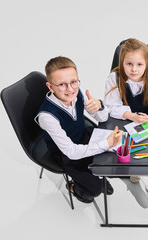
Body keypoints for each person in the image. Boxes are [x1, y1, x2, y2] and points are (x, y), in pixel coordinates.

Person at [35, 56, 123, 203]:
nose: (70, 89)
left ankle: (99, 176)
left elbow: (102, 118)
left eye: (73, 82)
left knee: (116, 157)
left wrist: (99, 105)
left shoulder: (78, 91)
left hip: (84, 135)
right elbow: (71, 151)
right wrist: (105, 144)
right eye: (62, 84)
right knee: (94, 191)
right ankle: (75, 188)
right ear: (50, 87)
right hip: (66, 154)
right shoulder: (47, 116)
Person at [104, 38, 148, 213]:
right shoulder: (115, 78)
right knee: (128, 150)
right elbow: (111, 107)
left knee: (147, 150)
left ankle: (137, 174)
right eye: (129, 64)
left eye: (140, 64)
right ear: (122, 63)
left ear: (147, 64)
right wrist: (130, 115)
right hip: (123, 122)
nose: (134, 69)